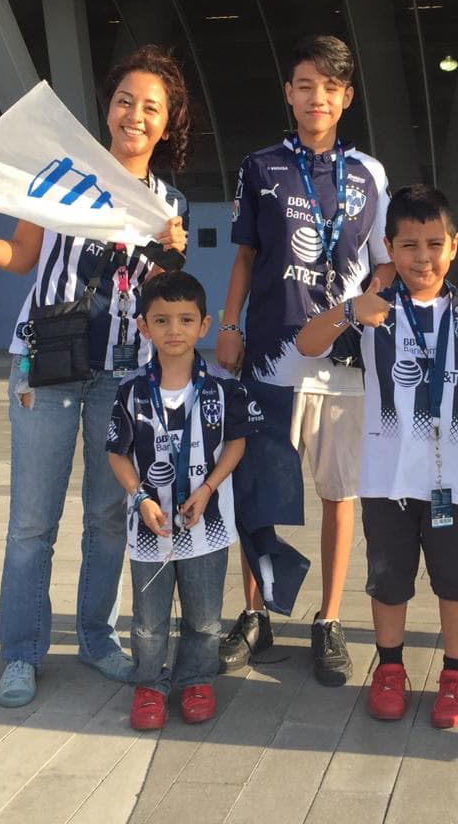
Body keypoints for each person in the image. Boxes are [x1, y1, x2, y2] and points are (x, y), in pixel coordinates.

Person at [0, 44, 190, 708]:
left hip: (122, 376)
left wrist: (170, 259)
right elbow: (20, 255)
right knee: (32, 521)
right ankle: (22, 653)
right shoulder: (63, 175)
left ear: (168, 121)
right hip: (47, 368)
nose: (135, 117)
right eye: (125, 102)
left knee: (106, 517)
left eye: (151, 108)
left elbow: (165, 303)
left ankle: (96, 638)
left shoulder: (166, 203)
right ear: (107, 108)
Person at [298, 184, 458, 727]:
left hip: (456, 481)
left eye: (434, 243)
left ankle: (456, 673)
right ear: (389, 249)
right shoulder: (374, 312)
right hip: (386, 480)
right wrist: (350, 308)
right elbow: (306, 342)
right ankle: (389, 667)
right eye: (409, 245)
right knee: (389, 579)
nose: (423, 257)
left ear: (455, 245)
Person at [215, 34, 394, 686]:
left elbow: (384, 266)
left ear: (346, 98)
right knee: (256, 493)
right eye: (305, 85)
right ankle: (257, 613)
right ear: (289, 93)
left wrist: (365, 318)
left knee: (338, 494)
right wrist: (230, 325)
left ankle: (327, 619)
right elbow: (244, 257)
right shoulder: (259, 167)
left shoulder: (369, 174)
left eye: (331, 87)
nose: (317, 97)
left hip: (343, 367)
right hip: (267, 358)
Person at [107, 271, 263, 730]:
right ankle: (149, 684)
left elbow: (237, 443)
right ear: (143, 327)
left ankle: (196, 679)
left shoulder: (221, 385)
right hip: (149, 527)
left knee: (204, 615)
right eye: (161, 320)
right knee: (149, 621)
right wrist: (141, 499)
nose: (173, 330)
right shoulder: (131, 389)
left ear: (205, 325)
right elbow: (117, 453)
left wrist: (208, 488)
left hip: (206, 523)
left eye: (185, 319)